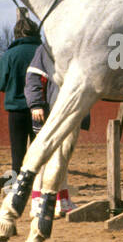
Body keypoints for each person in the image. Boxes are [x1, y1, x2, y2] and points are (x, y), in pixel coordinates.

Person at [24, 41, 92, 218]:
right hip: (50, 113)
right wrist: (36, 104)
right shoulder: (47, 48)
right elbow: (33, 77)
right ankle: (38, 202)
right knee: (43, 159)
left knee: (62, 160)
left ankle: (61, 200)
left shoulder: (82, 44)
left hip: (71, 113)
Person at [0, 8, 42, 183]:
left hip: (17, 110)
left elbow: (0, 83)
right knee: (40, 150)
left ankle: (17, 184)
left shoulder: (10, 54)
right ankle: (38, 183)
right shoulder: (43, 51)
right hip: (40, 109)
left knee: (18, 152)